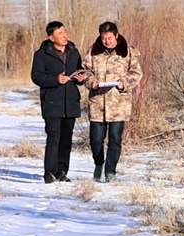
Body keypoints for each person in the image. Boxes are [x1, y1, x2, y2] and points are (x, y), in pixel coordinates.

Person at [82, 21, 143, 182]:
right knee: (96, 140)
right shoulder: (93, 51)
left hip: (119, 103)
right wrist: (91, 82)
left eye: (109, 38)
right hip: (98, 103)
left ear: (116, 35)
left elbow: (136, 73)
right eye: (104, 38)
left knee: (115, 139)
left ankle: (110, 172)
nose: (107, 41)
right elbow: (85, 71)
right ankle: (99, 163)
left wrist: (124, 83)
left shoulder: (127, 52)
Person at [31, 21, 86, 184]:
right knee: (53, 138)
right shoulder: (41, 54)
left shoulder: (73, 51)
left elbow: (80, 70)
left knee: (66, 140)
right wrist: (55, 79)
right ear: (51, 37)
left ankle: (62, 172)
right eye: (60, 33)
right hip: (52, 102)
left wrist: (81, 78)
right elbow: (36, 76)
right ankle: (49, 173)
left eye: (65, 32)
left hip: (70, 102)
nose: (64, 35)